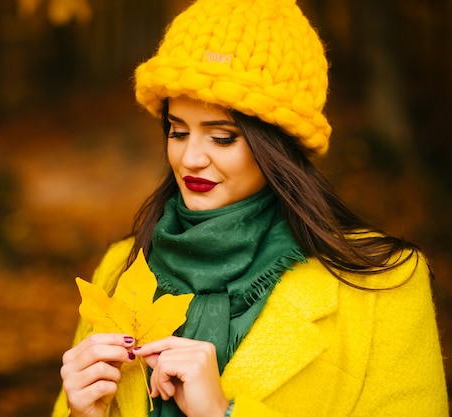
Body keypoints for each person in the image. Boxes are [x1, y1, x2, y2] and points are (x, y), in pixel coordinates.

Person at [52, 0, 448, 416]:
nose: (190, 158)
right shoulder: (121, 269)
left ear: (277, 144)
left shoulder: (385, 284)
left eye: (222, 137)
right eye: (178, 131)